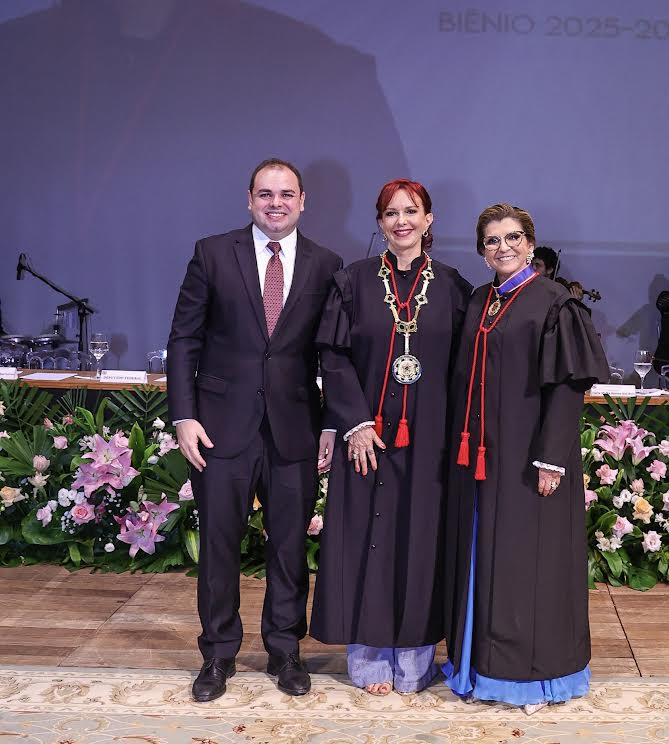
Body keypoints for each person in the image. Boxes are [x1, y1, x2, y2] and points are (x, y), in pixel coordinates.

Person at [167, 158, 343, 702]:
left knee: (289, 547)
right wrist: (184, 415)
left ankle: (285, 650)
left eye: (286, 194)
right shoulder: (212, 253)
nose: (275, 203)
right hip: (220, 431)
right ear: (249, 199)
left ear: (303, 200)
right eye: (265, 194)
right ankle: (218, 655)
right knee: (218, 547)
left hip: (295, 430)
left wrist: (334, 424)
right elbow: (184, 340)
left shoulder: (326, 263)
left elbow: (332, 354)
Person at [443, 203, 609, 715]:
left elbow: (566, 387)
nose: (503, 247)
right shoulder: (478, 301)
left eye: (512, 237)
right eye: (491, 241)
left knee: (527, 565)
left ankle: (532, 677)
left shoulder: (555, 302)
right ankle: (478, 663)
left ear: (531, 244)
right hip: (481, 461)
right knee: (485, 557)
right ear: (481, 250)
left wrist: (552, 458)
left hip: (530, 459)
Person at [309, 180, 470, 696]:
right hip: (367, 437)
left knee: (420, 541)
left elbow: (468, 367)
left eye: (411, 211)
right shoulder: (351, 282)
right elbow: (332, 358)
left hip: (431, 443)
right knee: (366, 541)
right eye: (390, 213)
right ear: (379, 224)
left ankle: (415, 654)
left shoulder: (454, 287)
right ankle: (371, 654)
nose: (401, 221)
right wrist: (352, 422)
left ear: (429, 219)